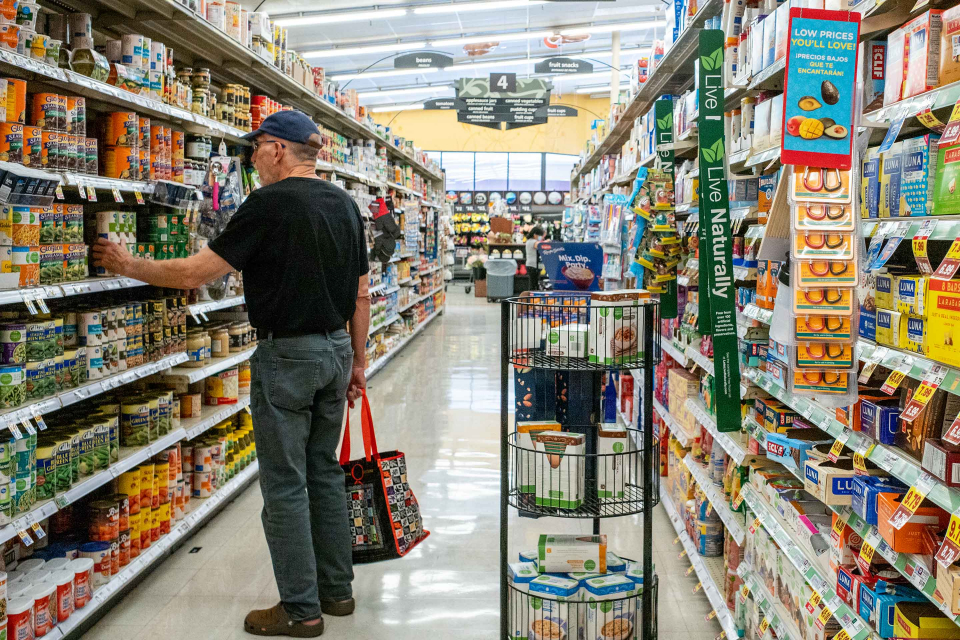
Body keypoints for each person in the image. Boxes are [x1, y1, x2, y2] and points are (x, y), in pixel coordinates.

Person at [93, 110, 369, 638]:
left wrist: (133, 266)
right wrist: (357, 361)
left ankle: (300, 610)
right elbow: (359, 293)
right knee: (324, 473)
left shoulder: (267, 204)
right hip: (335, 353)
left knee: (286, 483)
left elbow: (198, 272)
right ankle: (337, 594)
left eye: (256, 148)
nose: (252, 159)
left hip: (288, 356)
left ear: (279, 151)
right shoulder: (344, 204)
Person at [524, 226, 545, 291]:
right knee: (533, 284)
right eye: (540, 235)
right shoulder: (533, 242)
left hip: (530, 265)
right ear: (535, 234)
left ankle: (532, 298)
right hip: (533, 266)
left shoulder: (529, 241)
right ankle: (532, 298)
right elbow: (541, 246)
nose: (540, 237)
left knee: (533, 283)